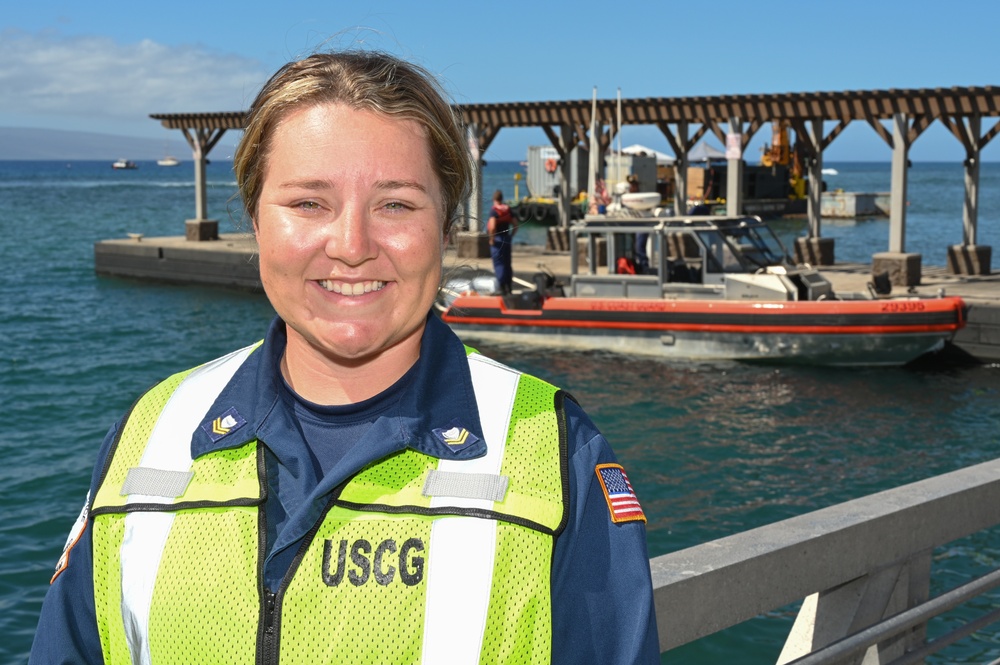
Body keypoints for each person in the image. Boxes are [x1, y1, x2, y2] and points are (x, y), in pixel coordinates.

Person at [29, 49, 659, 664]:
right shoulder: (148, 435)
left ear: (446, 226)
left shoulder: (557, 456)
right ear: (255, 219)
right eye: (309, 203)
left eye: (396, 204)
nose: (352, 246)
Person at [486, 188, 518, 294]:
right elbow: (515, 224)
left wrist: (491, 238)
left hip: (498, 239)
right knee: (507, 263)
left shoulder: (494, 210)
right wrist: (511, 235)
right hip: (506, 238)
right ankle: (509, 286)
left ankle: (502, 287)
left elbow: (492, 226)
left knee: (499, 263)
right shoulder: (507, 209)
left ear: (494, 199)